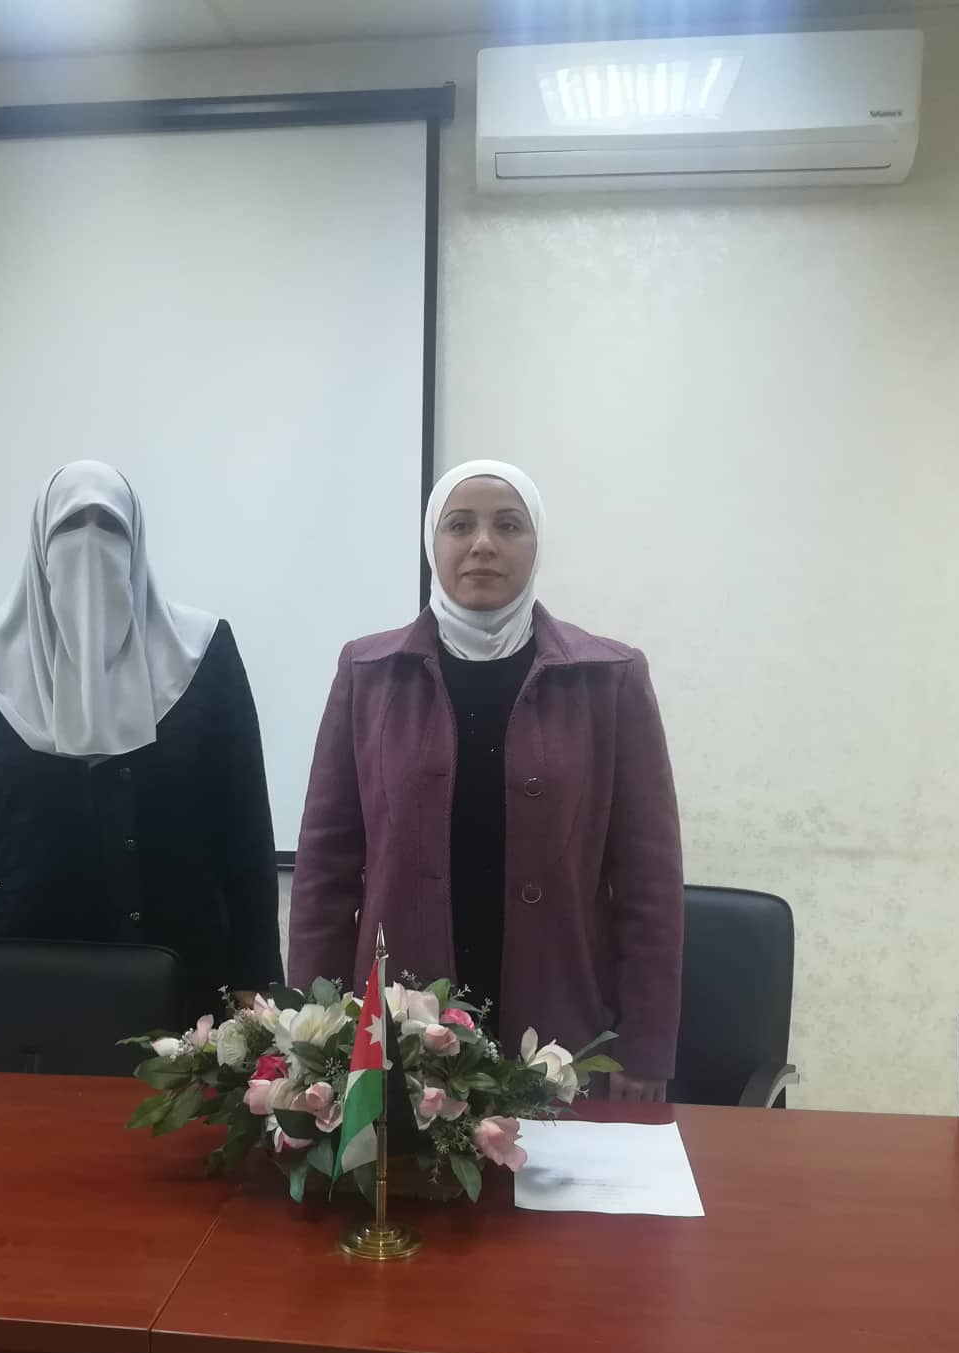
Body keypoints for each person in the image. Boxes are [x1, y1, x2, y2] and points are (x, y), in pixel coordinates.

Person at [287, 460, 682, 1101]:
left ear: (536, 543)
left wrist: (644, 1049)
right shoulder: (369, 673)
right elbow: (324, 875)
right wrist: (314, 1031)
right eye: (459, 525)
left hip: (562, 1028)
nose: (483, 544)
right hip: (398, 1028)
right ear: (432, 542)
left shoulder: (609, 678)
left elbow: (649, 885)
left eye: (508, 525)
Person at [0, 460, 281, 1005]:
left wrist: (254, 983)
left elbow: (245, 830)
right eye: (71, 525)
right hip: (20, 986)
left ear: (136, 542)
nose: (91, 543)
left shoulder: (201, 652)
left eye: (110, 526)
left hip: (183, 989)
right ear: (41, 543)